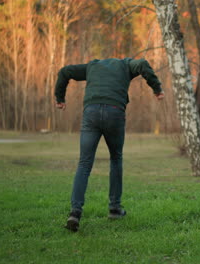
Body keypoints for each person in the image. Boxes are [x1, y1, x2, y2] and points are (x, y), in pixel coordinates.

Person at [54, 58, 164, 232]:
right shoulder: (126, 65)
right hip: (114, 112)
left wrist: (60, 98)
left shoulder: (92, 66)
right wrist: (157, 88)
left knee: (84, 163)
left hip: (91, 112)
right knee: (116, 159)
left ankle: (75, 212)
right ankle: (114, 208)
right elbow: (142, 64)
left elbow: (65, 71)